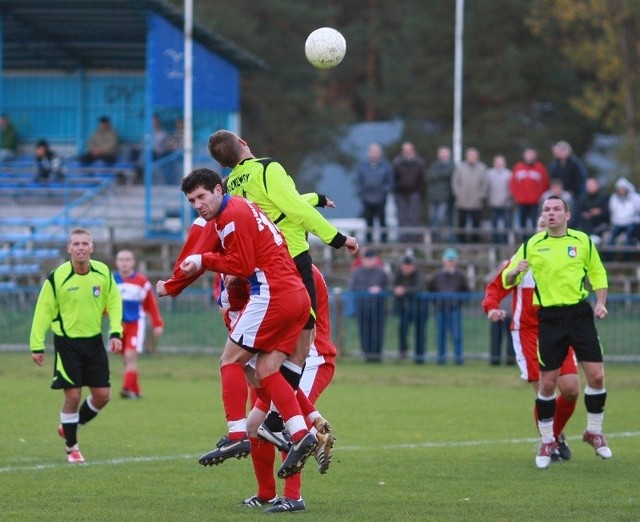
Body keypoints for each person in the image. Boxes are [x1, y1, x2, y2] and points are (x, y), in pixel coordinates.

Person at [165, 168, 319, 479]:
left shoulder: (230, 215)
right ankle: (301, 432)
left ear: (219, 190)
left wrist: (204, 260)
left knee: (229, 362)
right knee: (266, 371)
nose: (197, 204)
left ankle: (236, 435)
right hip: (295, 295)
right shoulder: (245, 206)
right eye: (192, 200)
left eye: (202, 196)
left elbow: (243, 266)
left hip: (272, 294)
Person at [207, 129, 357, 392]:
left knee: (278, 341)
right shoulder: (267, 168)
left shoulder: (230, 185)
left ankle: (272, 410)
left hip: (259, 267)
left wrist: (317, 199)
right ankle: (281, 415)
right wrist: (337, 239)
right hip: (290, 257)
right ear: (243, 142)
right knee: (304, 334)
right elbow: (294, 209)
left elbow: (278, 205)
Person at [503, 195, 611, 469]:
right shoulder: (532, 245)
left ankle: (594, 432)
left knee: (597, 376)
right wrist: (515, 271)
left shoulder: (582, 241)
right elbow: (506, 278)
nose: (551, 214)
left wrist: (600, 303)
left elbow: (597, 272)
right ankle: (548, 441)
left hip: (579, 314)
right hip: (549, 319)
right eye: (546, 210)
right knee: (548, 385)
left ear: (567, 215)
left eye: (556, 209)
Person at [241, 264, 337, 513]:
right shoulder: (283, 268)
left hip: (311, 359)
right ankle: (266, 494)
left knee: (286, 423)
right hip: (287, 359)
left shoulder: (304, 272)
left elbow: (306, 330)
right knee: (254, 426)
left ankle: (293, 497)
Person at [483, 215, 580, 462]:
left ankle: (555, 435)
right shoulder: (519, 260)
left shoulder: (566, 260)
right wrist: (492, 308)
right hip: (528, 332)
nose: (546, 226)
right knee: (544, 392)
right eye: (540, 224)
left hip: (560, 329)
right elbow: (495, 288)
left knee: (570, 389)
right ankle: (551, 443)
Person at [29, 228, 123, 463]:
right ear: (69, 248)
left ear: (92, 248)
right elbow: (43, 311)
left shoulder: (103, 272)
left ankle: (71, 425)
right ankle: (72, 448)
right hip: (67, 343)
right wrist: (37, 345)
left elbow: (114, 302)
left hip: (94, 342)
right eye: (76, 244)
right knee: (73, 395)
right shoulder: (57, 277)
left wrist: (115, 332)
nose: (80, 247)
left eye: (85, 243)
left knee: (102, 396)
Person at [114, 249, 164, 399]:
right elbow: (105, 305)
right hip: (117, 326)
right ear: (116, 263)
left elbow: (151, 304)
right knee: (127, 359)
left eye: (127, 259)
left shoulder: (142, 282)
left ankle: (125, 388)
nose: (124, 262)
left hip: (136, 324)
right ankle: (135, 391)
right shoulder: (111, 280)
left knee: (130, 356)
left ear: (133, 262)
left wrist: (157, 323)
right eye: (121, 259)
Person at [428, 248, 469, 365]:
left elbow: (466, 291)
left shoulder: (460, 275)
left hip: (454, 310)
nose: (450, 263)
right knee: (441, 336)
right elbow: (431, 290)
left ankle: (458, 359)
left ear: (455, 261)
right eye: (448, 260)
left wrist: (458, 303)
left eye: (452, 260)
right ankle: (441, 359)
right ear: (443, 261)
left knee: (456, 336)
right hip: (441, 310)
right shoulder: (437, 275)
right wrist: (437, 303)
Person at [349, 249, 389, 362]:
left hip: (378, 307)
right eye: (367, 259)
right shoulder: (357, 272)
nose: (369, 261)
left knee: (378, 331)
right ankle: (367, 355)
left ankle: (377, 355)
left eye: (372, 259)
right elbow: (353, 287)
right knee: (364, 331)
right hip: (363, 307)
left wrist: (380, 290)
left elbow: (387, 286)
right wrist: (367, 291)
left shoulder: (381, 273)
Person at [355, 143, 393, 243]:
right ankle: (368, 240)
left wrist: (383, 192)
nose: (374, 154)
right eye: (372, 152)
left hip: (381, 199)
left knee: (382, 220)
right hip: (367, 199)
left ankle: (384, 241)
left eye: (376, 152)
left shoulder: (386, 166)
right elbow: (359, 181)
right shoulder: (363, 166)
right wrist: (363, 193)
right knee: (368, 221)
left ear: (380, 153)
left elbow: (390, 182)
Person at [392, 254, 427, 363]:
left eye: (409, 265)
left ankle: (419, 357)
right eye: (405, 265)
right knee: (402, 329)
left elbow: (419, 287)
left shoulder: (418, 274)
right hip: (404, 309)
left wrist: (404, 290)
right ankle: (403, 352)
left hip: (419, 309)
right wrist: (395, 290)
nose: (407, 267)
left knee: (420, 333)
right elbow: (391, 285)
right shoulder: (398, 274)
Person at [451, 147, 488, 243]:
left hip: (476, 202)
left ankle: (475, 244)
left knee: (476, 224)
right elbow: (455, 182)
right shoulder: (460, 167)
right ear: (466, 156)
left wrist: (480, 196)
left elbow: (485, 183)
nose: (472, 157)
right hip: (462, 201)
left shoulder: (482, 168)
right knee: (461, 224)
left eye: (474, 155)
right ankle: (461, 243)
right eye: (470, 155)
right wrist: (458, 194)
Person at [392, 142, 426, 243]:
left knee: (414, 217)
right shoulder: (397, 162)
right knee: (402, 218)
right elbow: (394, 178)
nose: (407, 152)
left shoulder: (419, 162)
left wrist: (420, 193)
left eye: (409, 150)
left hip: (414, 193)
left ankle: (415, 240)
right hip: (400, 194)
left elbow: (423, 179)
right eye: (405, 150)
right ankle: (403, 241)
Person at [510, 148, 549, 236]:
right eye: (528, 155)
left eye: (532, 155)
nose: (530, 157)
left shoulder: (540, 168)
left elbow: (544, 183)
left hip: (535, 202)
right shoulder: (518, 167)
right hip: (521, 201)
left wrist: (539, 197)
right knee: (521, 223)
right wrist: (516, 196)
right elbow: (513, 183)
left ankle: (534, 240)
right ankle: (523, 241)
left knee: (535, 222)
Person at [426, 145, 454, 240]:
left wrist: (438, 174)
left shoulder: (451, 165)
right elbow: (430, 174)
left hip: (444, 197)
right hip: (433, 196)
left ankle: (437, 238)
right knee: (432, 218)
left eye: (445, 153)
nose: (443, 155)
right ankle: (433, 237)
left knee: (440, 218)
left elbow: (447, 173)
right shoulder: (434, 164)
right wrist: (440, 174)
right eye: (442, 153)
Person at [486, 154, 513, 244]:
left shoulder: (509, 174)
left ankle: (505, 244)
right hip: (493, 204)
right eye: (497, 162)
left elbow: (511, 189)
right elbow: (487, 188)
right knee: (494, 227)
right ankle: (495, 244)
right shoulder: (489, 174)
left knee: (506, 226)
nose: (499, 164)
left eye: (501, 162)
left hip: (506, 204)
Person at [607, 177, 640, 247]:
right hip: (618, 223)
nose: (622, 192)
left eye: (623, 190)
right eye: (620, 190)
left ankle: (626, 253)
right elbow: (612, 211)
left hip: (631, 223)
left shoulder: (635, 198)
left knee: (629, 235)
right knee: (612, 236)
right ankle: (609, 254)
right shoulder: (614, 198)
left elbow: (637, 211)